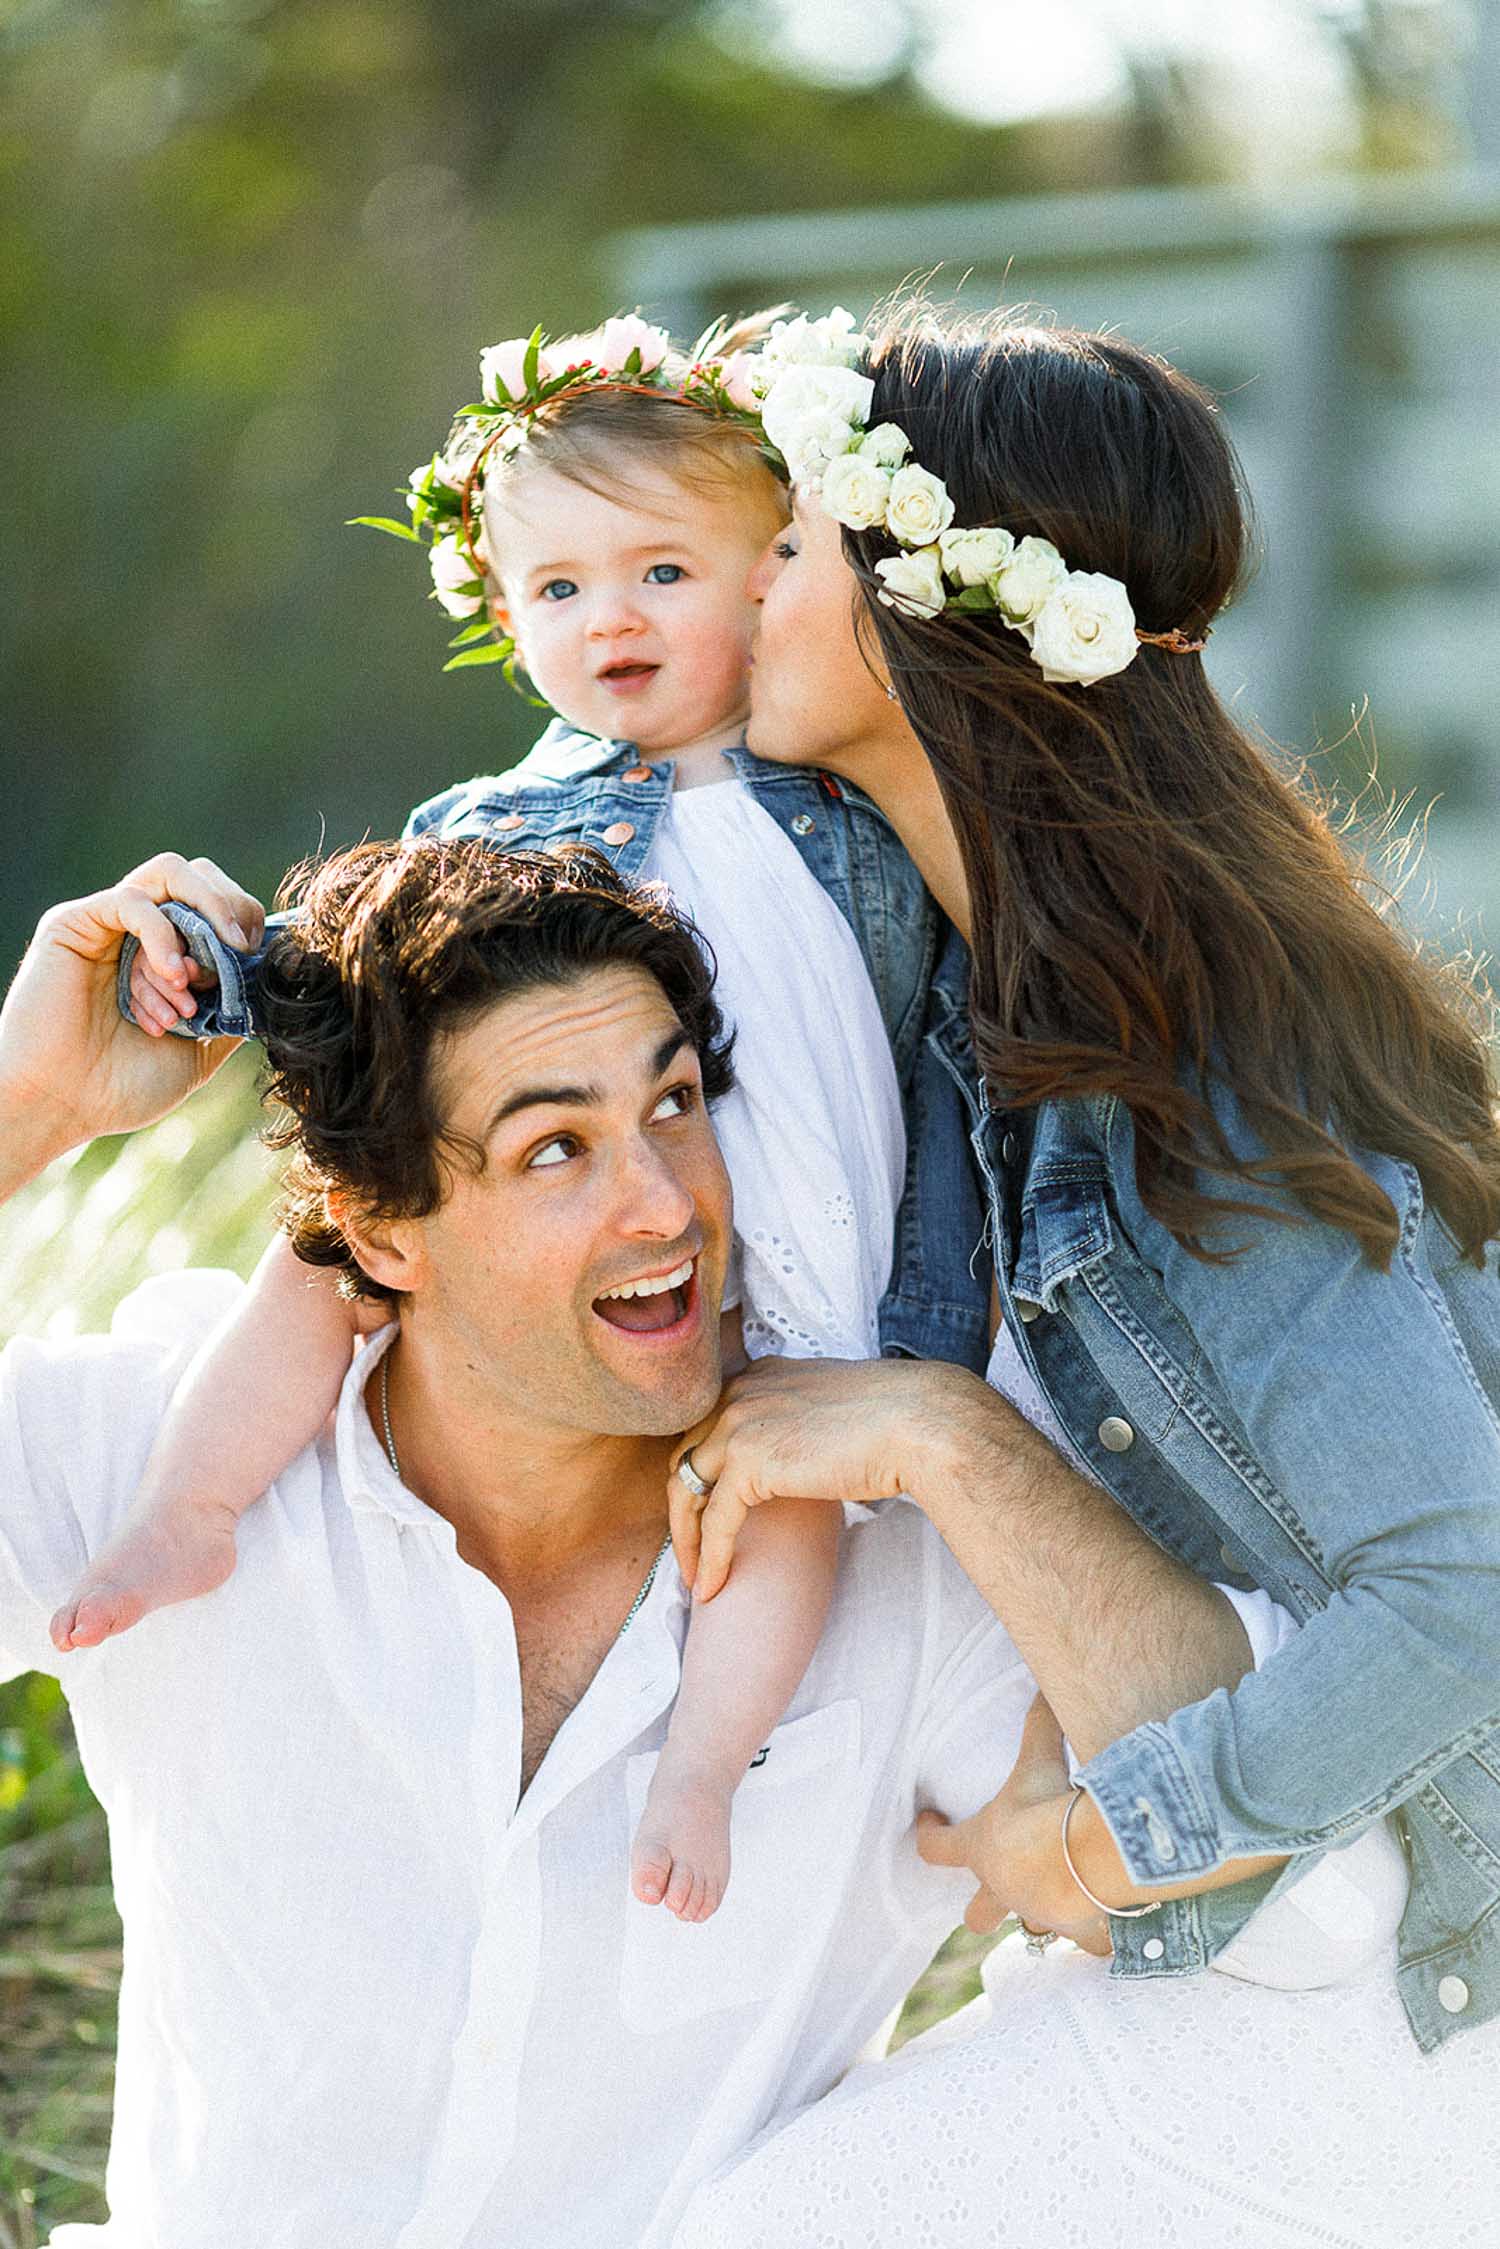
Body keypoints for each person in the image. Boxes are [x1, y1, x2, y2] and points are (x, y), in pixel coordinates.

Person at [0, 834, 1284, 2249]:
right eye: (556, 1148)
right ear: (380, 1231)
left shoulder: (893, 1566)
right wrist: (32, 1104)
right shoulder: (166, 1457)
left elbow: (1272, 1810)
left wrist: (951, 1435)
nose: (667, 1204)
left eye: (675, 1103)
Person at [656, 306, 1500, 2244]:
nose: (733, 594)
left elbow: (1463, 1589)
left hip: (1408, 1999)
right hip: (1275, 1938)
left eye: (782, 546)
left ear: (919, 603)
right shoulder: (998, 1000)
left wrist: (1113, 1840)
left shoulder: (1190, 1057)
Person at [49, 313, 910, 1924]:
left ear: (772, 574)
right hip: (596, 1205)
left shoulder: (858, 790)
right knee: (332, 1260)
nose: (612, 621)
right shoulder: (499, 819)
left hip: (803, 1231)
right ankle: (194, 1504)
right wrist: (215, 983)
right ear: (504, 614)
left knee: (782, 1484)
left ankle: (706, 1764)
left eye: (664, 572)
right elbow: (359, 969)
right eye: (559, 590)